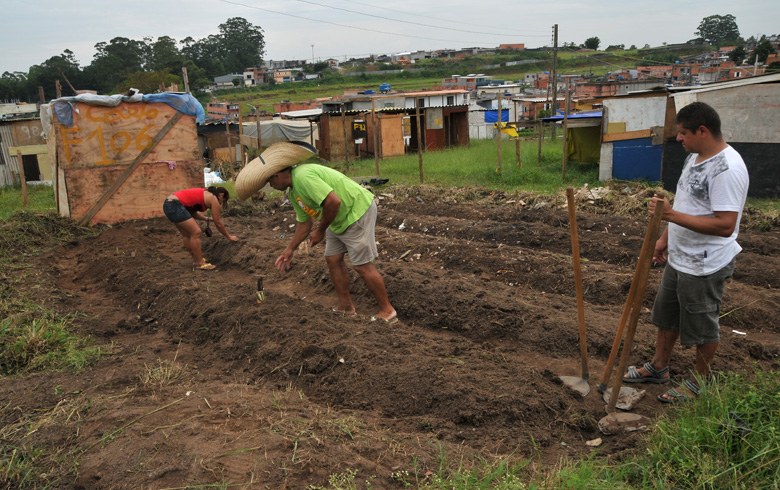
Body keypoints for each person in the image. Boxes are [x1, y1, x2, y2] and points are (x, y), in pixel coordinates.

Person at [622, 102, 749, 403]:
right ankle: (659, 367)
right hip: (680, 256)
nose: (678, 138)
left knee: (702, 326)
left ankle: (698, 382)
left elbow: (725, 225)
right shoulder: (694, 157)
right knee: (666, 316)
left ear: (702, 131)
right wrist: (665, 239)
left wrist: (670, 217)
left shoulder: (727, 168)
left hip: (705, 264)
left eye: (683, 133)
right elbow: (686, 204)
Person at [235, 141, 397, 322]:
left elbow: (333, 202)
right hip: (337, 219)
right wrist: (290, 249)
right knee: (332, 259)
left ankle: (388, 310)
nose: (271, 185)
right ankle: (346, 307)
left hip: (356, 211)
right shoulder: (293, 193)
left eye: (270, 180)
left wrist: (320, 231)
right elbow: (304, 224)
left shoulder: (303, 177)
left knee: (361, 265)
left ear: (279, 174)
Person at [163, 186, 239, 270]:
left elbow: (191, 212)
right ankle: (200, 263)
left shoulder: (205, 194)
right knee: (196, 232)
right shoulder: (214, 198)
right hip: (174, 205)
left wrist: (206, 219)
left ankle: (196, 260)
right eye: (223, 200)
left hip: (169, 204)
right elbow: (218, 222)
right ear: (221, 195)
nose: (220, 203)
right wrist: (228, 236)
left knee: (187, 234)